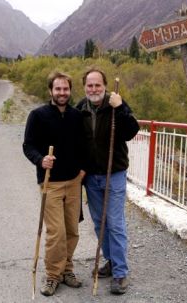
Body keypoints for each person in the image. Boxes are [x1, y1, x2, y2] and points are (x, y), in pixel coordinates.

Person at [76, 68, 139, 295]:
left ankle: (121, 273)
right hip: (91, 177)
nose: (94, 89)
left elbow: (132, 130)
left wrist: (120, 108)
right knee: (99, 223)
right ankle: (111, 261)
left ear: (104, 86)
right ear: (84, 86)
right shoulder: (80, 108)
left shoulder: (115, 104)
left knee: (114, 222)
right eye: (89, 85)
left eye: (97, 85)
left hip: (115, 173)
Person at [23, 71, 85, 296]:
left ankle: (67, 269)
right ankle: (52, 275)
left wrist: (83, 169)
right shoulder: (37, 115)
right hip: (51, 184)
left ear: (70, 90)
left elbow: (83, 146)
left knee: (72, 230)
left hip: (74, 182)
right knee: (56, 232)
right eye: (58, 89)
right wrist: (41, 159)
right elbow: (28, 146)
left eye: (65, 89)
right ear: (50, 90)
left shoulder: (77, 116)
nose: (62, 93)